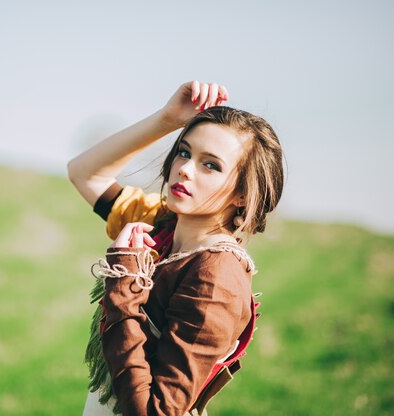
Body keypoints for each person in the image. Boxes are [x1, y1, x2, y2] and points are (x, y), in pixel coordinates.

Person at [67, 81, 285, 416]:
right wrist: (167, 119)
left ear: (242, 193)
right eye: (184, 151)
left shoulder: (216, 276)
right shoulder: (161, 225)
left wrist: (124, 281)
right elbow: (85, 173)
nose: (184, 168)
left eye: (210, 164)